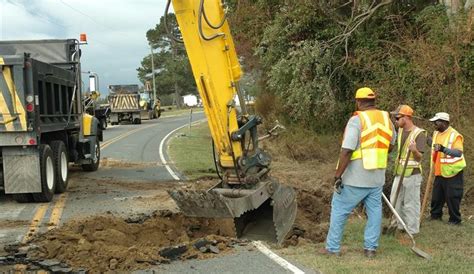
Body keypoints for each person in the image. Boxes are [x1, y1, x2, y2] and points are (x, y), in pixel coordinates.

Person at [322, 87, 396, 258]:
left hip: (355, 178)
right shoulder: (387, 119)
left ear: (358, 101)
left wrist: (338, 174)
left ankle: (332, 248)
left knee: (339, 209)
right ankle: (370, 249)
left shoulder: (357, 120)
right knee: (375, 213)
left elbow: (347, 150)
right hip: (377, 177)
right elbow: (391, 145)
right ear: (374, 101)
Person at [389, 105, 426, 235]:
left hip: (412, 174)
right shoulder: (399, 131)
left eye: (397, 118)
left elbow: (419, 158)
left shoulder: (419, 134)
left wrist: (414, 150)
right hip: (399, 172)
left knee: (411, 203)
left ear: (406, 118)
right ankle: (399, 225)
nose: (395, 120)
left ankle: (412, 230)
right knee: (395, 200)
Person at [429, 112, 466, 225]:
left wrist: (443, 149)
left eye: (437, 122)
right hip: (439, 170)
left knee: (452, 197)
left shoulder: (455, 135)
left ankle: (455, 220)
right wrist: (429, 142)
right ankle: (435, 216)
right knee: (436, 196)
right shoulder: (436, 133)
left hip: (453, 171)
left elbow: (458, 153)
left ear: (444, 123)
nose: (434, 124)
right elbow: (435, 147)